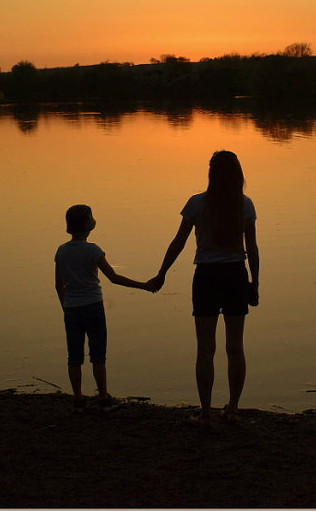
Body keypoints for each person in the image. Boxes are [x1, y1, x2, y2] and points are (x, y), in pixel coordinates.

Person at [150, 150, 260, 426]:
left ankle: (206, 412)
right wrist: (254, 283)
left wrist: (162, 273)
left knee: (205, 350)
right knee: (235, 348)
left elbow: (178, 242)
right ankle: (233, 410)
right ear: (238, 173)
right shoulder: (245, 205)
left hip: (207, 278)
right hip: (235, 276)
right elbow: (253, 249)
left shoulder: (197, 203)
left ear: (211, 172)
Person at [55, 203, 156, 414]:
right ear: (88, 225)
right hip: (93, 307)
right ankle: (103, 398)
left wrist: (65, 306)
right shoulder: (93, 251)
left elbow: (58, 285)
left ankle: (78, 399)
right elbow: (114, 278)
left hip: (71, 309)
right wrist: (144, 286)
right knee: (98, 355)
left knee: (74, 356)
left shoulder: (62, 251)